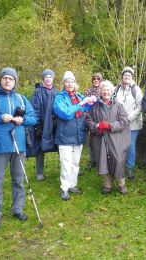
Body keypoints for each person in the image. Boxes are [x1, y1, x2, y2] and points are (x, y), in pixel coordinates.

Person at [0, 67, 36, 230]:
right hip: (0, 146)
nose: (8, 81)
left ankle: (18, 209)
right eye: (5, 78)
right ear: (0, 80)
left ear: (15, 81)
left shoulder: (21, 98)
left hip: (20, 146)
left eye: (11, 78)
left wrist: (22, 120)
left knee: (18, 179)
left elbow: (33, 118)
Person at [53, 71, 96, 201]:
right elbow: (66, 114)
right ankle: (64, 188)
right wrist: (81, 105)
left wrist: (92, 100)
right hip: (65, 136)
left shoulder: (78, 96)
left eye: (72, 81)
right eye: (67, 81)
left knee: (75, 163)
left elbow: (89, 106)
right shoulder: (59, 98)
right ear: (63, 83)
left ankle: (72, 185)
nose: (70, 83)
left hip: (78, 135)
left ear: (75, 83)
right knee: (66, 163)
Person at [86, 80, 131, 194]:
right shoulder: (95, 107)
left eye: (108, 90)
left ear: (112, 92)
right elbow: (88, 120)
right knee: (103, 160)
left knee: (118, 160)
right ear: (100, 92)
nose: (106, 92)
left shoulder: (118, 106)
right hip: (101, 138)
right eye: (103, 90)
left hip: (116, 138)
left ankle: (121, 184)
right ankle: (107, 184)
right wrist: (97, 126)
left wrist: (110, 126)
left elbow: (124, 122)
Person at [26, 69, 58, 181]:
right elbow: (35, 108)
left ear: (53, 78)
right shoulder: (38, 91)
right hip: (42, 124)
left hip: (54, 124)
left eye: (50, 77)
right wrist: (37, 125)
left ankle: (67, 170)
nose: (48, 79)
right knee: (40, 148)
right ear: (43, 79)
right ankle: (39, 172)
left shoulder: (56, 91)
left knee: (60, 147)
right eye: (46, 77)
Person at [114, 66, 143, 179]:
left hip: (133, 123)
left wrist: (129, 118)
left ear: (132, 77)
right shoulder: (116, 89)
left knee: (130, 146)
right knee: (118, 145)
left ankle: (130, 167)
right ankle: (119, 165)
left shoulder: (136, 89)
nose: (127, 77)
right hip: (118, 122)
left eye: (129, 75)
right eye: (125, 75)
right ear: (122, 77)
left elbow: (140, 106)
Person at [84, 72, 103, 171]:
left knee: (102, 140)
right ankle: (92, 160)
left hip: (101, 117)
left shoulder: (104, 90)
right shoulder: (88, 91)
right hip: (90, 117)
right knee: (91, 142)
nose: (96, 80)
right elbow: (83, 104)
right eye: (94, 79)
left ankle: (102, 160)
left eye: (98, 79)